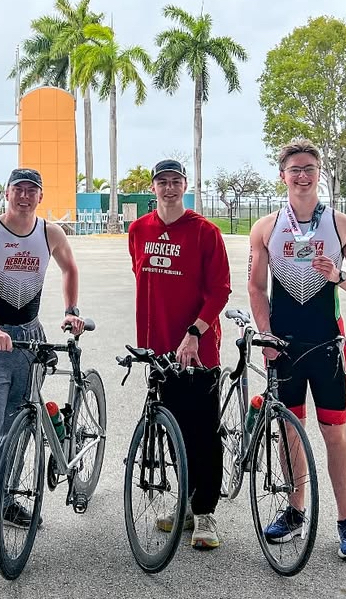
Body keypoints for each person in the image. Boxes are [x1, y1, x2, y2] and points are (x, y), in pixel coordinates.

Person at [247, 138, 346, 561]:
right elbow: (255, 285)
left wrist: (337, 275)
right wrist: (264, 336)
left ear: (320, 174)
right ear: (282, 175)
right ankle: (295, 510)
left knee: (335, 433)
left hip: (327, 346)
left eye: (309, 169)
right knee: (289, 431)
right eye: (294, 169)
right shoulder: (266, 227)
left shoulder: (341, 225)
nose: (302, 176)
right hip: (284, 347)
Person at [0, 168, 84, 562]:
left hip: (30, 336)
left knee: (19, 426)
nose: (25, 196)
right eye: (18, 189)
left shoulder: (51, 233)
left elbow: (70, 269)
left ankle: (7, 499)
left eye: (32, 190)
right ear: (6, 193)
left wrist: (70, 310)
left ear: (40, 195)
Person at [127, 159, 231, 550]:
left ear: (184, 186)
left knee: (203, 433)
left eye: (175, 182)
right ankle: (186, 506)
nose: (169, 188)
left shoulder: (205, 232)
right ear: (153, 187)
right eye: (162, 182)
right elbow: (144, 281)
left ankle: (205, 513)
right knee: (171, 431)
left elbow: (220, 290)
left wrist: (194, 334)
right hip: (158, 353)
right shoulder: (139, 230)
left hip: (196, 351)